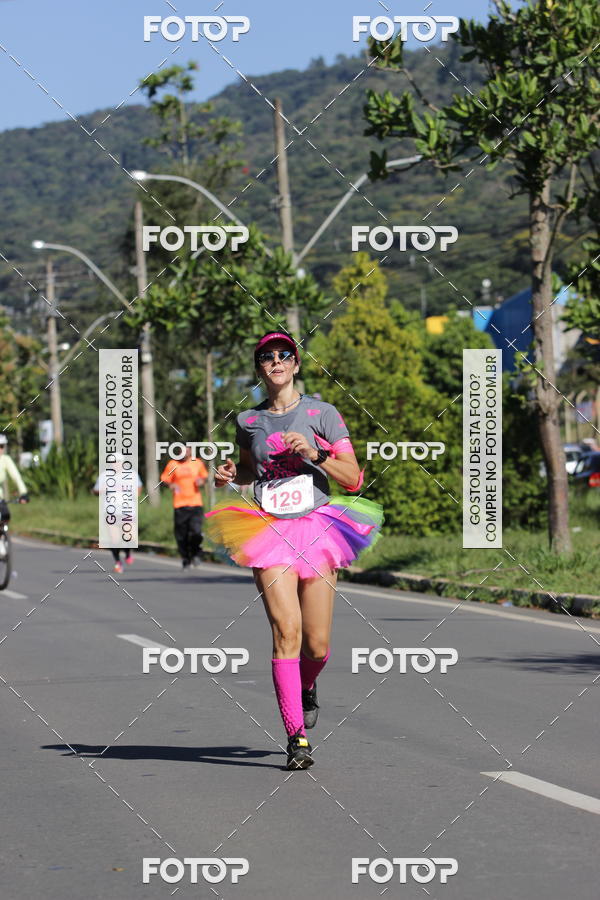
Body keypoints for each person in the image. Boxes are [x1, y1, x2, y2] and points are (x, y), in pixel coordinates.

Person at [206, 332, 383, 770]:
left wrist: (315, 455)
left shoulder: (323, 414)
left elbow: (353, 479)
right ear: (260, 369)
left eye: (284, 354)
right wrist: (230, 474)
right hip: (269, 531)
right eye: (267, 357)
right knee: (287, 630)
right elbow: (248, 471)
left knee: (317, 644)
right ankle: (295, 737)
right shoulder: (249, 421)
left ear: (296, 364)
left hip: (319, 528)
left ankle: (306, 686)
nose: (276, 361)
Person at [160, 446, 208, 568]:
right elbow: (165, 478)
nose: (185, 453)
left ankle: (196, 553)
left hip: (195, 503)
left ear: (190, 451)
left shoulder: (197, 463)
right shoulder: (173, 464)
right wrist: (171, 484)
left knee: (196, 532)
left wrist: (201, 482)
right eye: (182, 450)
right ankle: (185, 558)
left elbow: (204, 477)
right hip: (180, 504)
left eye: (187, 450)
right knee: (181, 536)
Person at [93, 456, 142, 574]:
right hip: (111, 512)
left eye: (117, 462)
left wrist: (135, 494)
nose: (115, 464)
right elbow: (95, 491)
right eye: (112, 462)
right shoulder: (104, 476)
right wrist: (101, 491)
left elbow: (139, 487)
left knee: (130, 537)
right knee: (114, 540)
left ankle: (128, 553)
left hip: (127, 511)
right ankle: (117, 562)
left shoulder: (131, 474)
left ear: (122, 462)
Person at [0, 434, 29, 521]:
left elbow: (16, 477)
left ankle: (3, 533)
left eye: (2, 446)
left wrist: (23, 493)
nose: (0, 449)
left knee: (5, 516)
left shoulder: (5, 459)